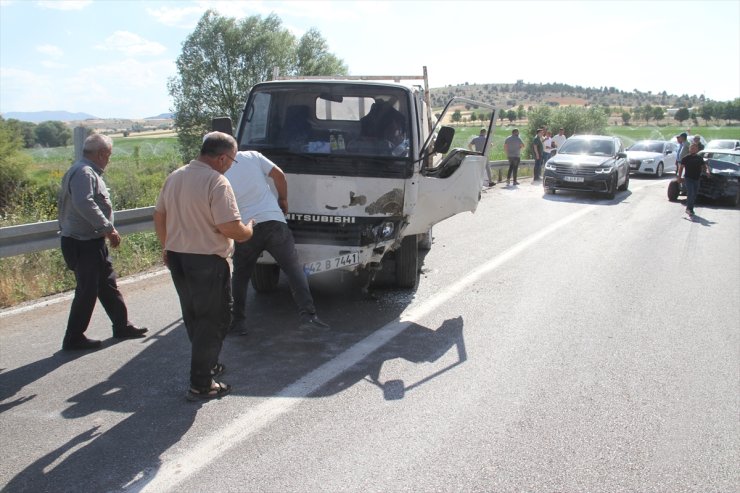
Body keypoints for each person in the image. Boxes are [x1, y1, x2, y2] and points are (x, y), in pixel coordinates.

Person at [153, 132, 255, 401]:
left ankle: (207, 364)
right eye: (233, 160)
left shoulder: (175, 176)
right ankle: (201, 383)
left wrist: (166, 246)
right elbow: (228, 226)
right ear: (222, 157)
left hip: (177, 257)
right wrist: (247, 231)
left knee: (194, 316)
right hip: (206, 261)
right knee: (215, 319)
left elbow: (159, 215)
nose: (232, 165)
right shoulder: (216, 181)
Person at [224, 150, 330, 334]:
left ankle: (238, 323)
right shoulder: (252, 156)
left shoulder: (216, 168)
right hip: (274, 222)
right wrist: (283, 199)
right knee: (293, 269)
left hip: (246, 227)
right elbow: (279, 175)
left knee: (241, 276)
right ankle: (309, 317)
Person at [58, 133, 148, 350]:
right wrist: (108, 228)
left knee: (107, 284)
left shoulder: (81, 169)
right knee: (87, 290)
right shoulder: (84, 172)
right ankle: (73, 337)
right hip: (83, 242)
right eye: (108, 155)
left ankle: (121, 325)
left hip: (89, 240)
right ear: (100, 154)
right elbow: (84, 202)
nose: (108, 159)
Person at [677, 143, 708, 216]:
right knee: (690, 192)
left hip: (697, 178)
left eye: (694, 148)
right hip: (688, 178)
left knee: (694, 194)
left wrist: (707, 172)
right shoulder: (686, 158)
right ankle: (689, 209)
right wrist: (679, 177)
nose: (693, 149)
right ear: (689, 149)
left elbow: (704, 166)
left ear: (697, 149)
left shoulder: (699, 158)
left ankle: (690, 207)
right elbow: (681, 168)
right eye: (691, 148)